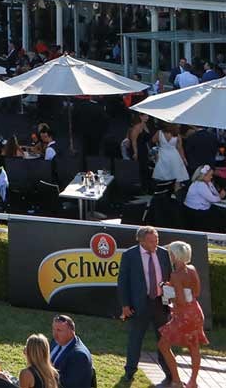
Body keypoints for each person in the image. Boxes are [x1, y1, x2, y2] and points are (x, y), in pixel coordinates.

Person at [116, 225, 172, 381]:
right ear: (141, 241)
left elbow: (168, 277)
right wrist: (125, 305)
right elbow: (123, 281)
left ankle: (168, 371)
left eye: (157, 240)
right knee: (135, 338)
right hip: (140, 304)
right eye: (151, 241)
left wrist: (170, 301)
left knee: (164, 339)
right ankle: (130, 371)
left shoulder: (163, 253)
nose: (155, 243)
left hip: (161, 304)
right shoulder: (130, 255)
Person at [157, 240, 210, 388]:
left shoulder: (175, 275)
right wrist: (174, 288)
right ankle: (193, 382)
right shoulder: (192, 269)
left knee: (163, 345)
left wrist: (168, 293)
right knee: (194, 347)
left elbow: (179, 300)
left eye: (171, 254)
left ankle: (176, 380)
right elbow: (197, 292)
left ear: (175, 255)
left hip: (183, 315)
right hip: (195, 312)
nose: (170, 256)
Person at [48, 314, 94, 388]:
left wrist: (44, 369)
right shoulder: (55, 342)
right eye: (53, 329)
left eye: (59, 330)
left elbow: (68, 384)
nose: (55, 334)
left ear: (72, 332)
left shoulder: (79, 355)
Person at [153, 124, 190, 192]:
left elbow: (153, 141)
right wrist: (184, 158)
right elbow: (180, 148)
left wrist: (158, 147)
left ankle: (162, 191)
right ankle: (176, 192)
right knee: (176, 175)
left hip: (162, 154)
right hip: (174, 155)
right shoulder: (177, 135)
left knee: (163, 173)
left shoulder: (159, 132)